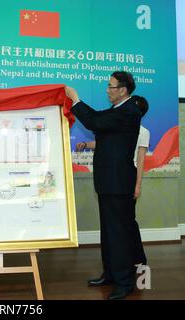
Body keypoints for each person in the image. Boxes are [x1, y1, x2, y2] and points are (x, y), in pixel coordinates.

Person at [65, 71, 143, 300]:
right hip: (109, 182)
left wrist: (75, 99)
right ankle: (110, 274)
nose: (107, 90)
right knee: (110, 233)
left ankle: (125, 282)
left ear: (123, 89)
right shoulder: (118, 110)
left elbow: (93, 121)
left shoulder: (129, 111)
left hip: (119, 183)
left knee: (119, 234)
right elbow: (100, 124)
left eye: (111, 86)